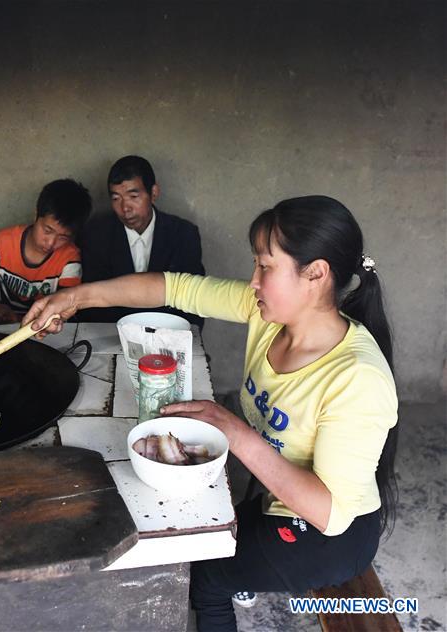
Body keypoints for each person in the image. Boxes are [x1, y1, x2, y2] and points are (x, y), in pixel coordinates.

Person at [23, 196, 398, 632]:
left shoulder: (357, 378)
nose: (254, 282)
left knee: (203, 578)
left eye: (266, 267)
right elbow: (174, 288)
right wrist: (76, 298)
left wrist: (235, 432)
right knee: (199, 532)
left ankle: (230, 582)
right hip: (278, 500)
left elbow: (329, 512)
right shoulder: (273, 316)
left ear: (315, 273)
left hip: (329, 536)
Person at [78, 155, 205, 326]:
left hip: (168, 336)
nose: (125, 208)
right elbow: (92, 306)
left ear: (153, 193)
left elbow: (194, 301)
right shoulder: (96, 234)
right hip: (112, 336)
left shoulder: (183, 234)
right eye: (116, 198)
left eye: (133, 196)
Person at [0, 179, 92, 323]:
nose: (51, 243)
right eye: (47, 230)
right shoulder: (3, 242)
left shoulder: (69, 258)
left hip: (42, 329)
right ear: (36, 215)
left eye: (63, 237)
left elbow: (64, 309)